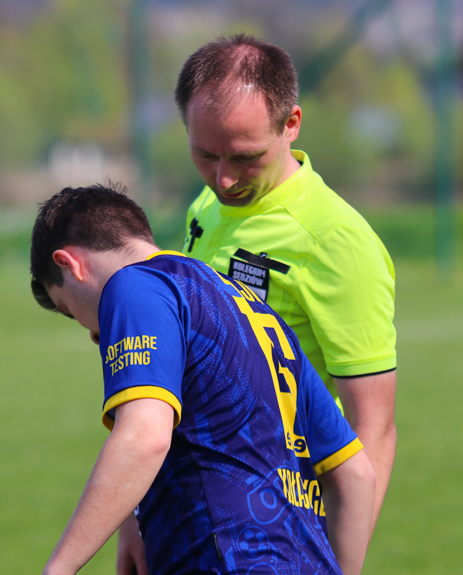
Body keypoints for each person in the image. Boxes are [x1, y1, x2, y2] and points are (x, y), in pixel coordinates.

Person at [31, 184, 376, 575]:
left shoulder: (133, 286)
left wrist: (57, 569)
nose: (93, 333)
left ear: (70, 264)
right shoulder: (254, 310)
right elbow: (356, 474)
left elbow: (144, 437)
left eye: (68, 308)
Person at [177, 34, 397, 524]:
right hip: (191, 498)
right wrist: (139, 518)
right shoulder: (205, 208)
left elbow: (374, 428)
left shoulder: (336, 241)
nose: (224, 178)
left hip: (274, 515)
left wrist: (339, 560)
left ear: (291, 124)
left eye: (244, 157)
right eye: (206, 155)